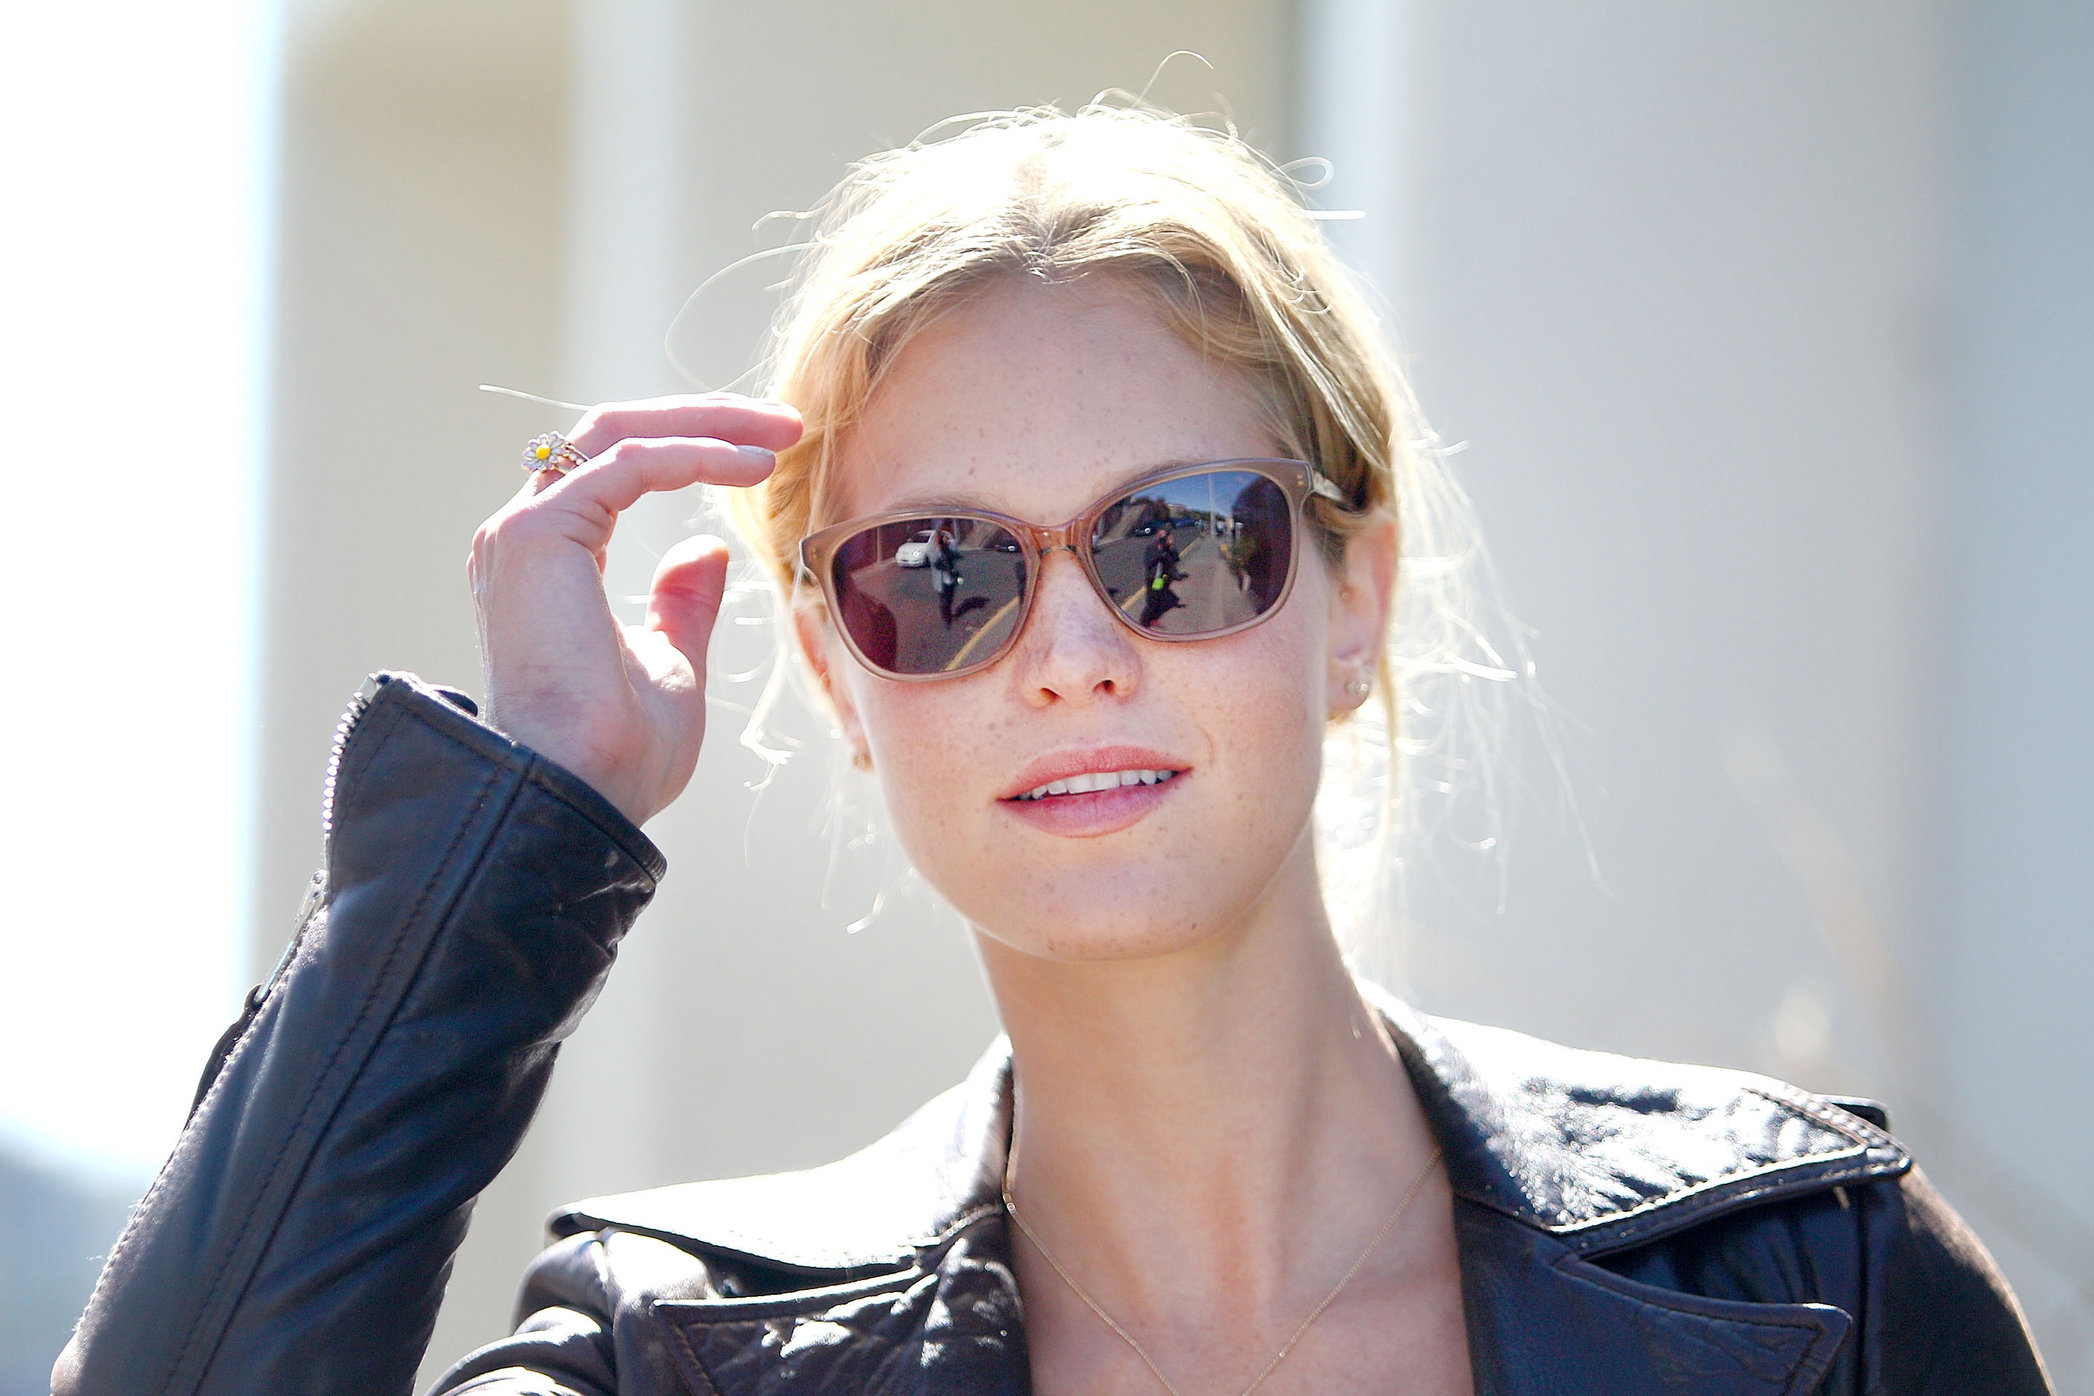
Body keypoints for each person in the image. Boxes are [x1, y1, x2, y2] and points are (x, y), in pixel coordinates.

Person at [56, 105, 2052, 1396]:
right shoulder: (676, 1360)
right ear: (842, 679)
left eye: (1174, 544)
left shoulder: (1810, 1279)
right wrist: (519, 823)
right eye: (941, 576)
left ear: (1349, 600)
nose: (1075, 653)